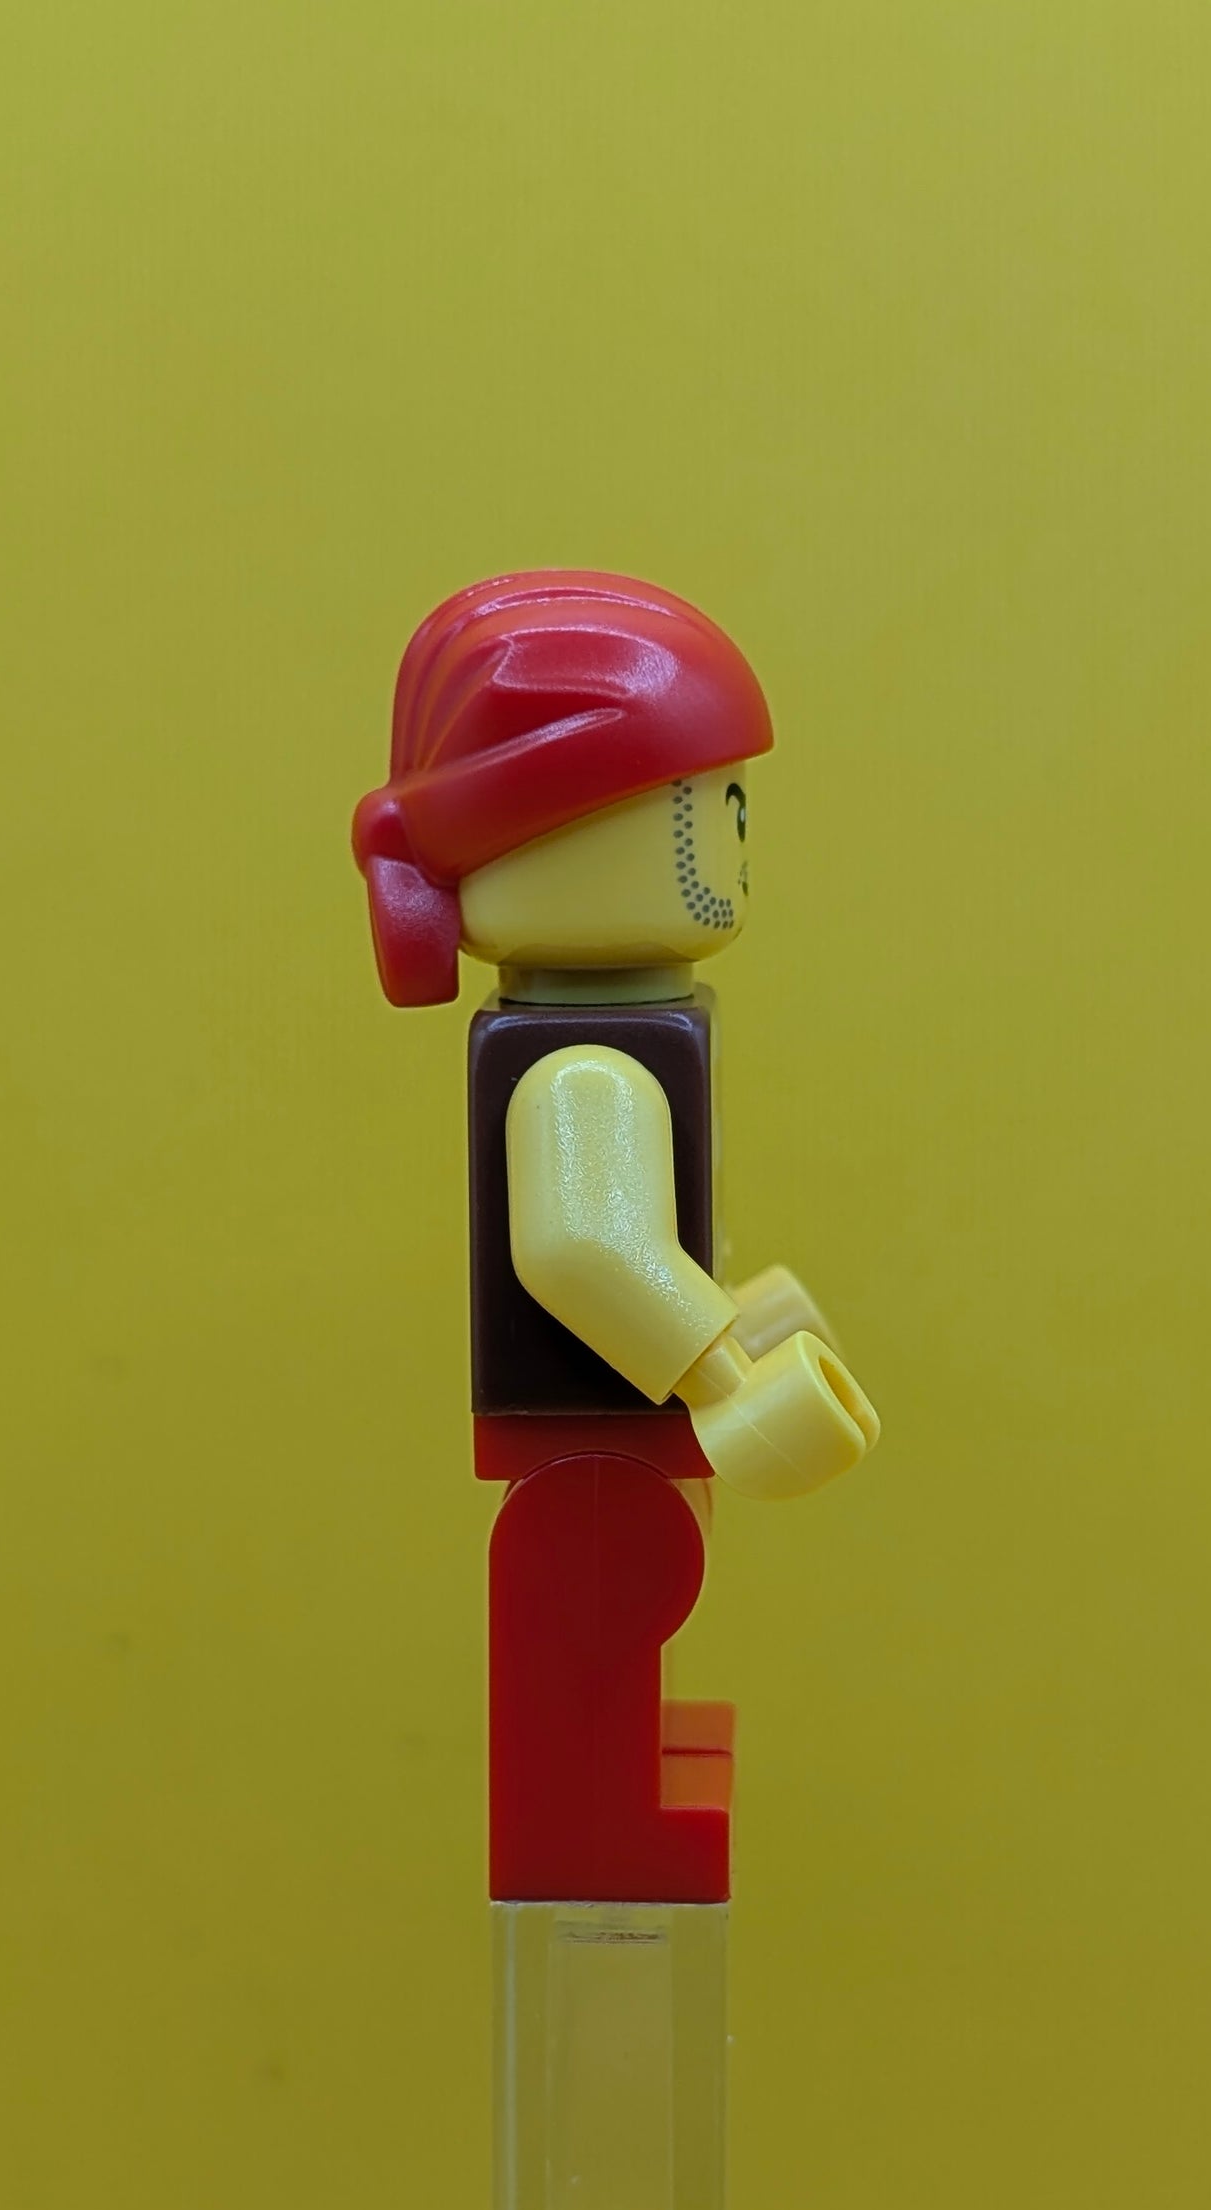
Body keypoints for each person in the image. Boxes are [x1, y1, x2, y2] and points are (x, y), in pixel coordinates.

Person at [353, 569, 877, 1902]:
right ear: (561, 826)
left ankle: (610, 1847)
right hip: (587, 1459)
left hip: (611, 1442)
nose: (737, 840)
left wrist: (739, 1315)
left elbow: (637, 1237)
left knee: (614, 1729)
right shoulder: (581, 1069)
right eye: (710, 807)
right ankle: (598, 1856)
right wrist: (721, 1375)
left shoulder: (630, 1038)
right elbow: (583, 1250)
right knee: (588, 1764)